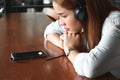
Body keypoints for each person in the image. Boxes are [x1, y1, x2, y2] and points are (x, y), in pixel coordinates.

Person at [44, 0, 120, 79]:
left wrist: (70, 49)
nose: (61, 23)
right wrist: (66, 43)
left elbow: (90, 68)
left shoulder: (114, 23)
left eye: (64, 16)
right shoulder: (85, 22)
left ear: (82, 12)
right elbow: (50, 30)